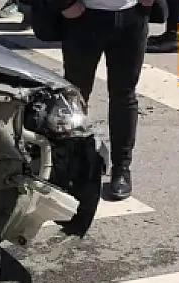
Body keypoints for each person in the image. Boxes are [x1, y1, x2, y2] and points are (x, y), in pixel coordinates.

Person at [57, 0, 150, 200]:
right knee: (75, 96)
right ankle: (72, 166)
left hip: (131, 17)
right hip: (84, 17)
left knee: (124, 96)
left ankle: (122, 168)